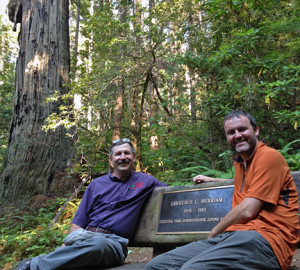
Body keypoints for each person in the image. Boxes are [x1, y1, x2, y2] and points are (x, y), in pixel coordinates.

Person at [146, 110, 299, 270]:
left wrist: (215, 231)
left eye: (242, 129)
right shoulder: (241, 163)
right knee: (157, 266)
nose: (237, 135)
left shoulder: (269, 156)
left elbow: (248, 210)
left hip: (267, 241)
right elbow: (250, 184)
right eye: (231, 132)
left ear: (256, 130)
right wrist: (214, 180)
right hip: (233, 237)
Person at [16, 138, 166, 270]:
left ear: (133, 157)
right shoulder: (97, 185)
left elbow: (174, 194)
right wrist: (62, 250)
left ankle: (32, 265)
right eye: (118, 154)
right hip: (85, 238)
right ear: (111, 160)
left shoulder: (145, 181)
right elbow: (78, 223)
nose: (123, 157)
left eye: (127, 153)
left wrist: (191, 182)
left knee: (98, 244)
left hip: (112, 244)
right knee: (82, 251)